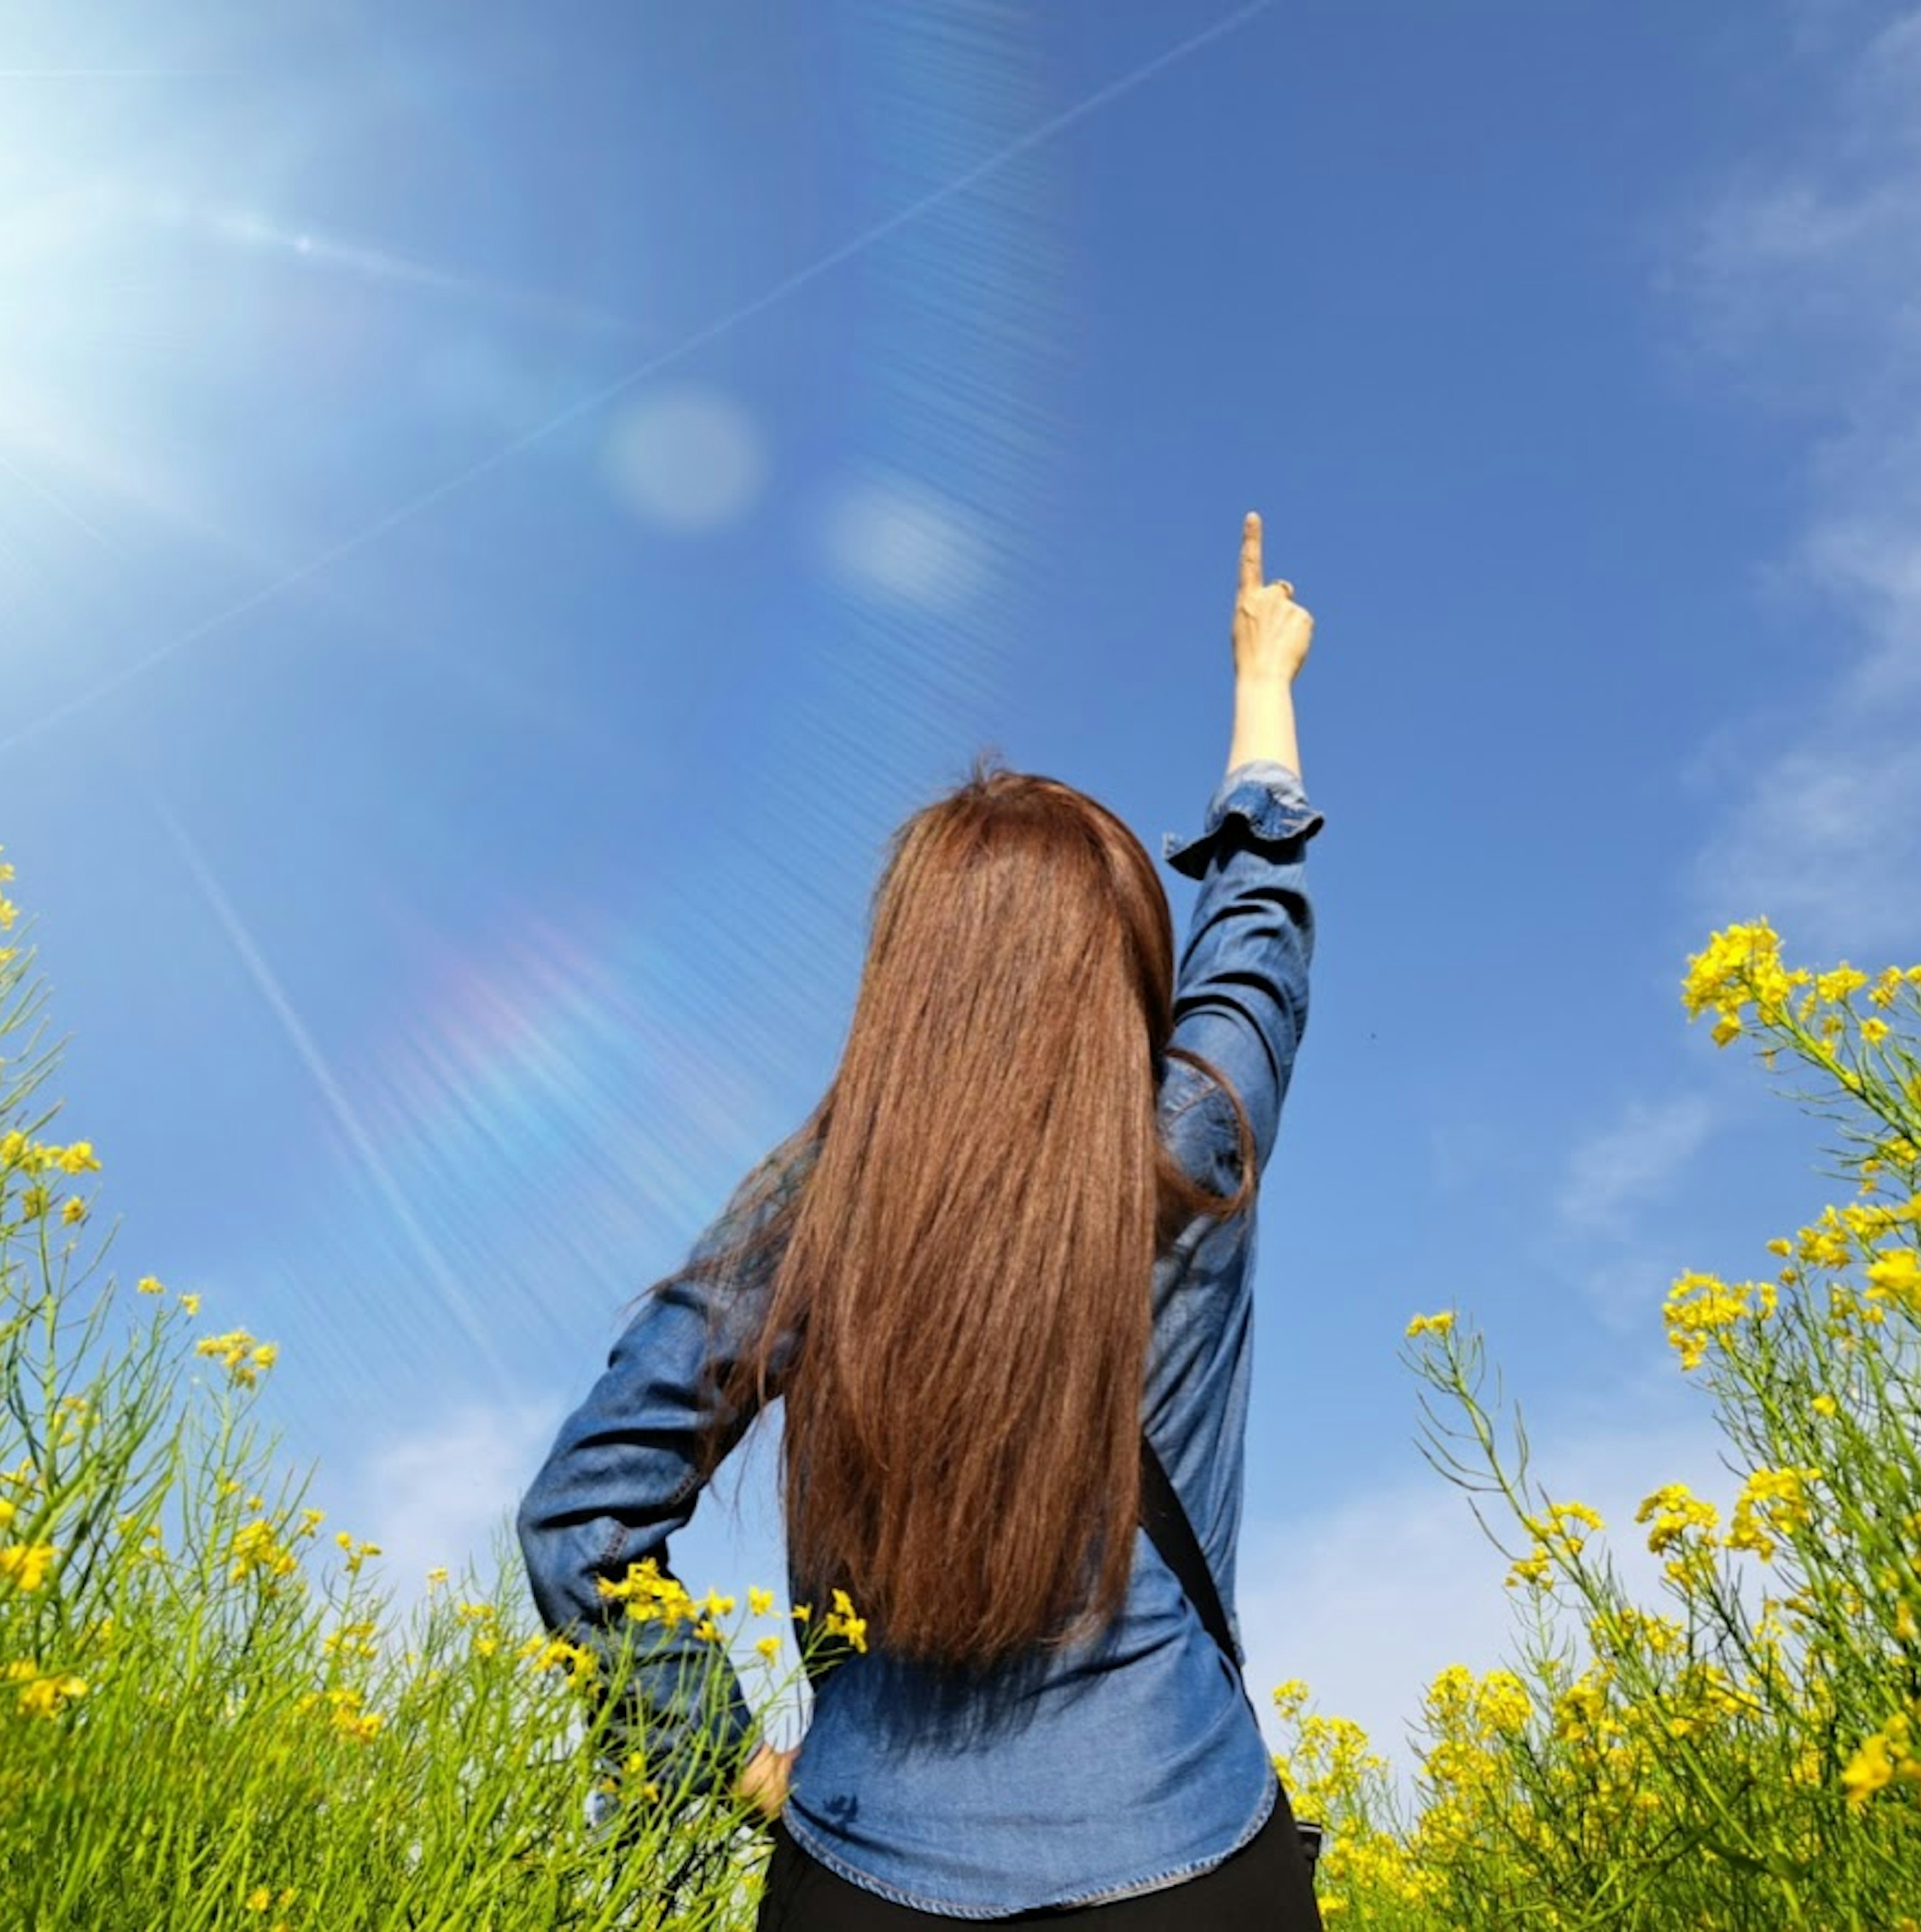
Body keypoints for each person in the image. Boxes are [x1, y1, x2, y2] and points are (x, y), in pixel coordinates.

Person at [516, 511, 1322, 1927]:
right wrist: (1265, 687)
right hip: (1192, 1849)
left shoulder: (815, 1214)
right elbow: (1258, 934)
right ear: (1124, 978)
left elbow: (582, 1518)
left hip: (864, 1870)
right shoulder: (1190, 1148)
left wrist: (717, 1762)